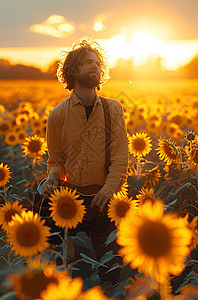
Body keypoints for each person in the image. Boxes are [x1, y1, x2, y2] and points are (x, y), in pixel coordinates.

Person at [38, 38, 129, 286]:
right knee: (74, 272)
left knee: (111, 271)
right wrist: (53, 178)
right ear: (72, 71)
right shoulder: (57, 115)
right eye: (88, 62)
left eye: (98, 63)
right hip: (73, 203)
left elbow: (121, 158)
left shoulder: (114, 109)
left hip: (107, 203)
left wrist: (107, 191)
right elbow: (56, 160)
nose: (95, 67)